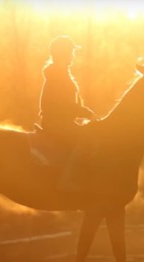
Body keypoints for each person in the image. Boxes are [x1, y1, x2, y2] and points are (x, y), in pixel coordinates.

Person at [38, 35, 95, 190]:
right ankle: (68, 181)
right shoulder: (57, 75)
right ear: (63, 54)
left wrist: (81, 111)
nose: (73, 56)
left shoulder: (61, 73)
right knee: (87, 140)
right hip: (56, 123)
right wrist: (82, 111)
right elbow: (60, 104)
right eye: (70, 52)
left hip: (62, 121)